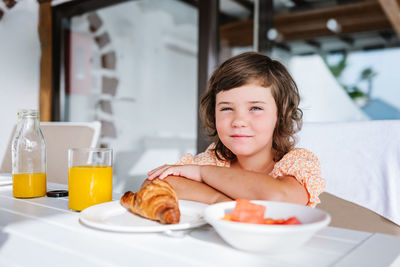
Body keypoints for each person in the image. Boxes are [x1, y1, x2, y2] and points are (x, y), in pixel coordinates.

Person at [147, 52, 325, 207]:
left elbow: (278, 198)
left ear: (281, 114)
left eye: (255, 108)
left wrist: (202, 173)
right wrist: (218, 200)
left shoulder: (298, 163)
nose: (239, 121)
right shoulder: (214, 160)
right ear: (213, 113)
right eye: (226, 109)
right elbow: (152, 185)